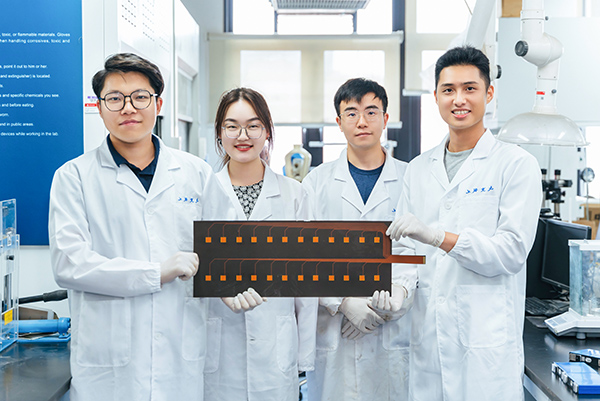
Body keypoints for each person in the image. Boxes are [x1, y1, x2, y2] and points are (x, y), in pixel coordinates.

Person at [48, 53, 234, 400]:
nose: (128, 108)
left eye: (140, 97)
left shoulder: (195, 173)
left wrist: (228, 280)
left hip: (179, 359)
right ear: (99, 107)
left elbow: (225, 245)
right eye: (114, 99)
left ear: (158, 104)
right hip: (109, 370)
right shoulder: (74, 177)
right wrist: (156, 272)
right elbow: (69, 264)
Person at [387, 46, 542, 400]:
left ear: (489, 93)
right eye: (449, 90)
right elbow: (405, 251)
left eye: (470, 88)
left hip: (485, 351)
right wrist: (400, 292)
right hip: (428, 344)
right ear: (436, 97)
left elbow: (511, 252)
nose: (459, 99)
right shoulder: (419, 168)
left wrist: (439, 237)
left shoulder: (515, 164)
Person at [302, 78, 414, 400]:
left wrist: (395, 300)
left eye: (371, 112)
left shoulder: (410, 178)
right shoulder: (316, 183)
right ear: (339, 122)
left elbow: (418, 250)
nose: (362, 121)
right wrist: (343, 302)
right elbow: (303, 257)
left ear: (385, 118)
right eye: (351, 113)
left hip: (393, 332)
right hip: (334, 332)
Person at [204, 87, 317, 401]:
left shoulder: (294, 195)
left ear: (267, 131)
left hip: (275, 346)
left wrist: (304, 356)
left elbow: (307, 280)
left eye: (253, 126)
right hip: (217, 344)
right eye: (232, 126)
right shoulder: (202, 192)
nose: (243, 136)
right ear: (219, 133)